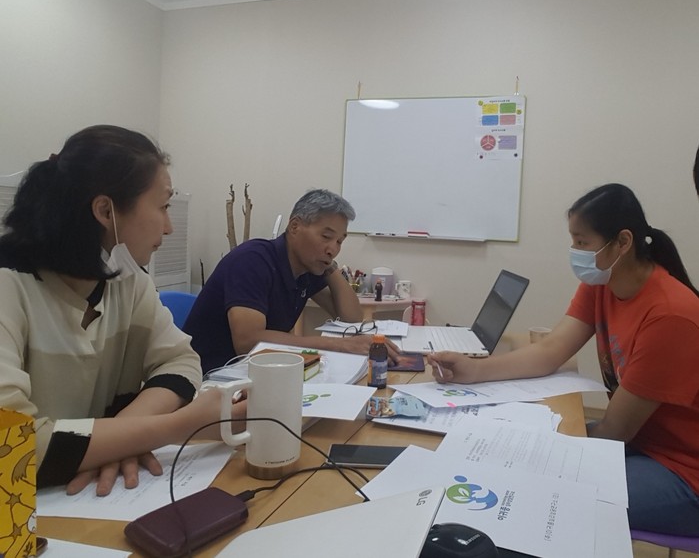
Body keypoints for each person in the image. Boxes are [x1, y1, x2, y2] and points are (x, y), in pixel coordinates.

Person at [428, 184, 699, 536]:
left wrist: (542, 450)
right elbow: (551, 350)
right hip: (640, 445)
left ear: (622, 242)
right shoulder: (602, 282)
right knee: (519, 466)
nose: (575, 252)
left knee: (542, 497)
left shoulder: (670, 315)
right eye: (573, 241)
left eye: (582, 242)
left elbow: (614, 432)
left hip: (683, 471)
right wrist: (474, 369)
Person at [0, 125, 244, 496]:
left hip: (83, 496)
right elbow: (12, 445)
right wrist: (178, 425)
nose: (169, 226)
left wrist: (123, 436)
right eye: (163, 206)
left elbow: (180, 361)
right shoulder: (10, 286)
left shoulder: (127, 280)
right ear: (105, 210)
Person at [184, 189, 400, 373]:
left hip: (260, 371)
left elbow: (351, 317)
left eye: (339, 241)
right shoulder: (252, 260)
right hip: (212, 376)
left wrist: (330, 266)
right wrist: (340, 345)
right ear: (295, 226)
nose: (333, 249)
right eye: (326, 237)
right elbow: (248, 342)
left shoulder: (306, 268)